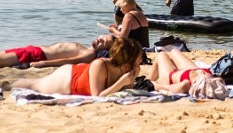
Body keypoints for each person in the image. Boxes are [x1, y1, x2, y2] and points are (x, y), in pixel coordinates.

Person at [12, 37, 143, 97]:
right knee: (34, 85)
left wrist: (130, 80)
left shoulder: (125, 70)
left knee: (34, 84)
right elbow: (97, 96)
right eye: (138, 60)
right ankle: (7, 86)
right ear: (127, 62)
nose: (140, 62)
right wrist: (122, 82)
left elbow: (124, 91)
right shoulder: (100, 64)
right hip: (68, 79)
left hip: (82, 73)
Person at [147, 48, 220, 94]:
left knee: (162, 55)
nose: (204, 73)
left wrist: (151, 84)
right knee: (174, 51)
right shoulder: (210, 77)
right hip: (189, 71)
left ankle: (146, 81)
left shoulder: (186, 84)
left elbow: (167, 88)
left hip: (169, 77)